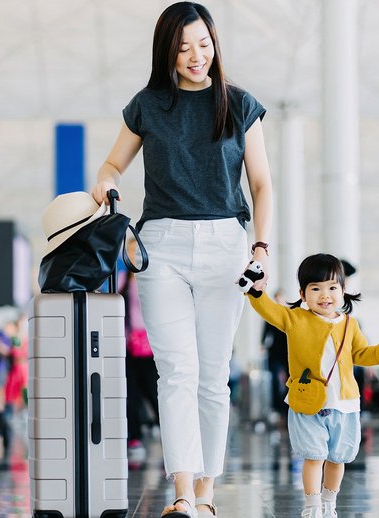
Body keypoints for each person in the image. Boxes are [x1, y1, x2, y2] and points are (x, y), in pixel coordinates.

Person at [90, 3, 274, 515]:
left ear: (215, 45)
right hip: (162, 246)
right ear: (167, 51)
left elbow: (261, 184)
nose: (197, 56)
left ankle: (208, 494)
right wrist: (107, 183)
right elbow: (111, 163)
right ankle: (182, 496)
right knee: (175, 372)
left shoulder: (239, 104)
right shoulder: (148, 105)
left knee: (213, 376)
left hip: (225, 246)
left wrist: (261, 245)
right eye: (184, 46)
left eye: (204, 44)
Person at [245, 254, 379, 518]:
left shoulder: (351, 324)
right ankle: (312, 506)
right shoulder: (295, 319)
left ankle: (329, 503)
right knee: (313, 456)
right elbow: (269, 310)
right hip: (308, 404)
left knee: (338, 459)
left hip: (345, 405)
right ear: (303, 294)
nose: (324, 295)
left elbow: (360, 353)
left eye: (332, 288)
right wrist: (255, 292)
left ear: (342, 290)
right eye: (315, 288)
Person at [118, 238, 160, 466]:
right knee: (130, 394)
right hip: (128, 345)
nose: (133, 256)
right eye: (130, 251)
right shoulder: (123, 281)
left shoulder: (152, 279)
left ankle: (169, 435)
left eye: (136, 251)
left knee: (154, 392)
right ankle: (134, 437)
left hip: (149, 345)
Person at [262, 290, 289, 422]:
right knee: (274, 380)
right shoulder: (271, 314)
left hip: (287, 351)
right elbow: (265, 332)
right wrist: (262, 344)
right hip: (274, 352)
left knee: (290, 380)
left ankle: (288, 406)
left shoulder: (288, 313)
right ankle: (276, 408)